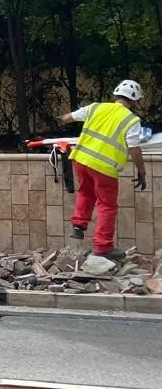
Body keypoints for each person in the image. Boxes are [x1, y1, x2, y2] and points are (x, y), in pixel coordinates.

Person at [58, 80, 149, 260]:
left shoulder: (95, 107)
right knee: (107, 205)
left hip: (81, 160)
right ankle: (103, 246)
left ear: (115, 95)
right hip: (104, 167)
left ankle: (78, 225)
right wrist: (141, 171)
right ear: (135, 101)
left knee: (86, 192)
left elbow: (68, 118)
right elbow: (134, 148)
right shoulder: (131, 120)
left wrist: (58, 121)